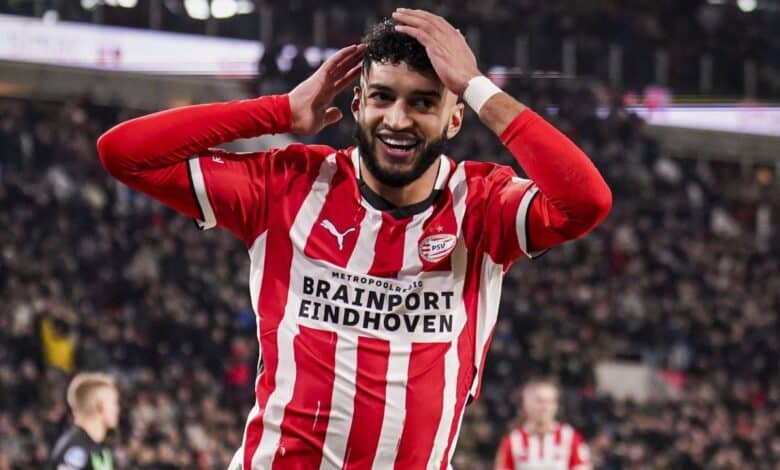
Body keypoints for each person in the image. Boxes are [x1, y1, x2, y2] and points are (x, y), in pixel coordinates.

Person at [97, 8, 611, 469]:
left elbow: (587, 201)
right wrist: (280, 111)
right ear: (359, 102)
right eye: (383, 97)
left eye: (423, 103)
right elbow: (124, 153)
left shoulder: (481, 204)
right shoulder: (289, 185)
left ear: (455, 117)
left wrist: (477, 87)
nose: (397, 120)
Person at [494, 378, 591, 470]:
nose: (545, 407)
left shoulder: (570, 437)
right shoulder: (512, 441)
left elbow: (582, 467)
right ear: (526, 403)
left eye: (550, 402)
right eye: (539, 401)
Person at [50, 373, 118, 470]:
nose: (117, 410)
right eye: (114, 403)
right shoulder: (74, 449)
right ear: (101, 407)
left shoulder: (102, 448)